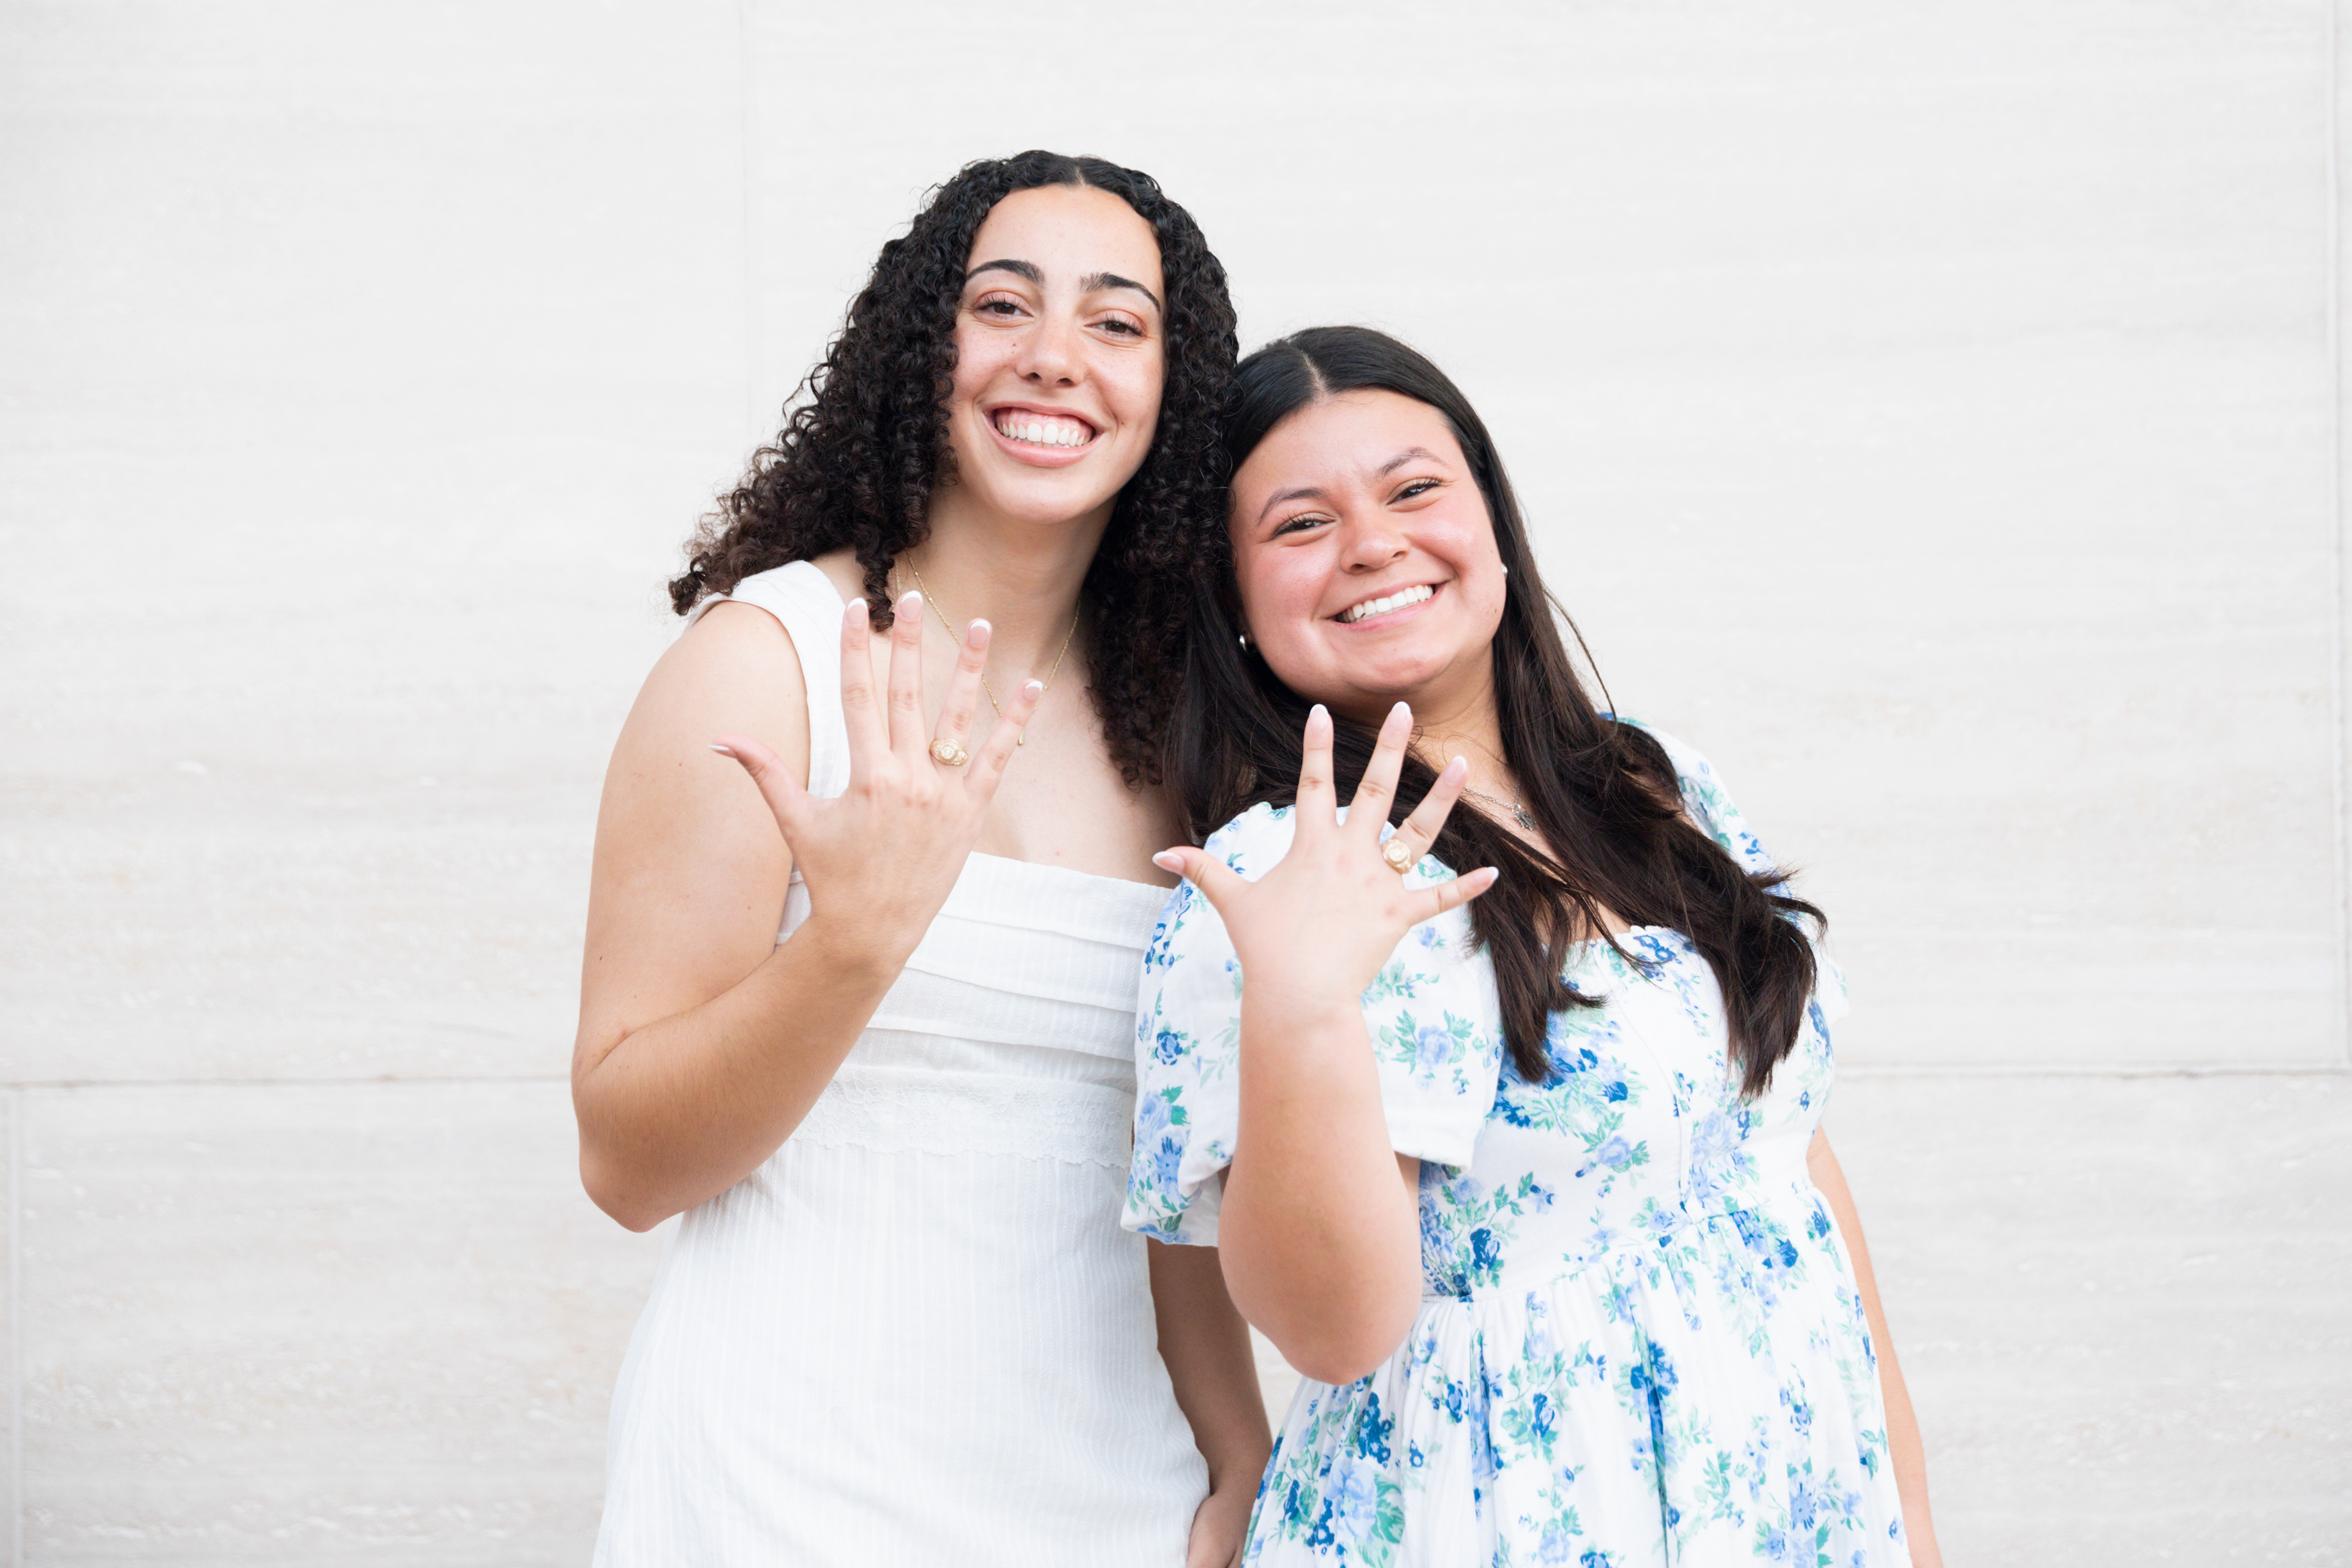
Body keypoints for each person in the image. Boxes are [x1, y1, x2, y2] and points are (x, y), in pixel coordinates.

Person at [1126, 326, 1942, 1565]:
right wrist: (1302, 1006)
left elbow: (1790, 1163)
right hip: (1504, 1516)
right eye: (1302, 524)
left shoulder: (1652, 782)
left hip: (1789, 1504)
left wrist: (1909, 1525)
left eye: (1413, 490)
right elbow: (1334, 1333)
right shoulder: (1271, 882)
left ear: (1493, 526)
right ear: (1235, 602)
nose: (1372, 543)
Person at [575, 151, 1269, 1567]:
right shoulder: (764, 665)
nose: (1055, 356)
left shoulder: (1183, 734)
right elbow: (628, 1162)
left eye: (1116, 322)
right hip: (781, 1487)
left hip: (1107, 1497)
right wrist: (855, 938)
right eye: (1002, 305)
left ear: (1175, 391)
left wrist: (1240, 1449)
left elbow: (1165, 1171)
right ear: (919, 351)